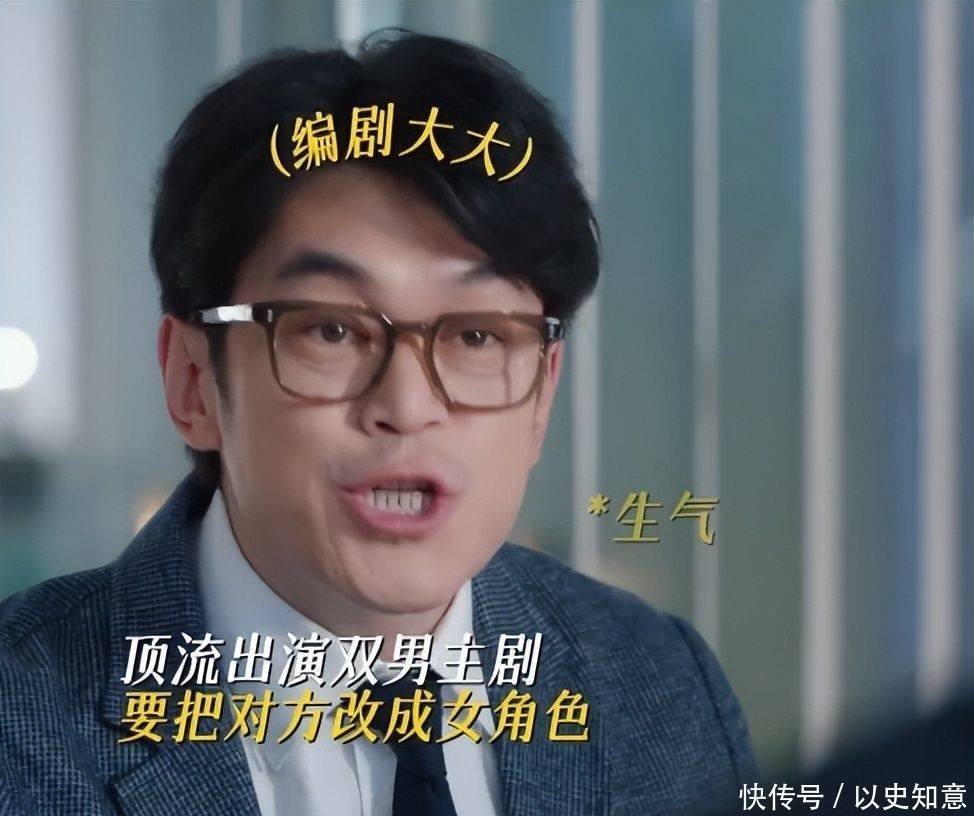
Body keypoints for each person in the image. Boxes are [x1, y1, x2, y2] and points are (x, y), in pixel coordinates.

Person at [0, 30, 757, 816]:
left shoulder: (661, 690)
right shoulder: (21, 731)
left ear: (542, 395)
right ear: (194, 381)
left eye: (476, 336)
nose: (407, 405)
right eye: (332, 330)